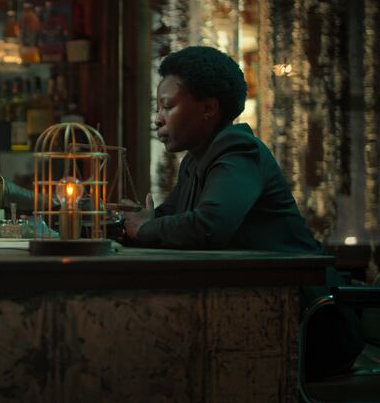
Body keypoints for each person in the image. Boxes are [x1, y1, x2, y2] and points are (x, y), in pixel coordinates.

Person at [122, 45, 363, 381]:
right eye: (157, 107)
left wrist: (142, 228)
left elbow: (208, 226)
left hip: (308, 325)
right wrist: (123, 222)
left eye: (168, 106)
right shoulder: (195, 160)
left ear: (208, 109)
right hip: (258, 314)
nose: (158, 118)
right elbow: (164, 219)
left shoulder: (237, 149)